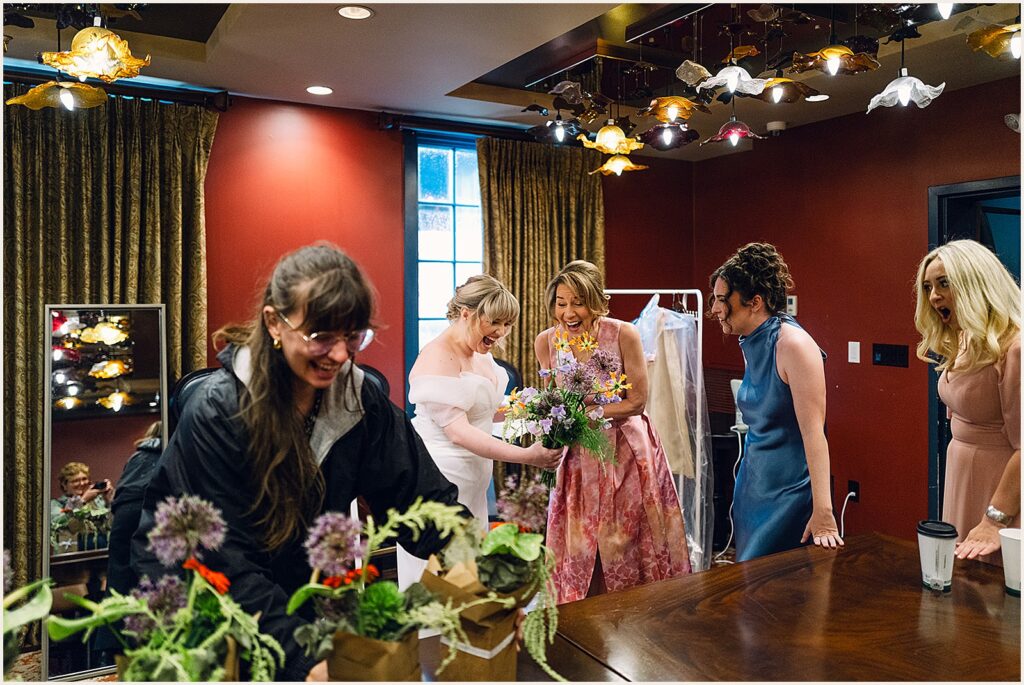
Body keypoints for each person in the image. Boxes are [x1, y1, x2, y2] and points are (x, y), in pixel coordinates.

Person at [129, 243, 467, 681]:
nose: (341, 355)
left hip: (303, 590)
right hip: (208, 600)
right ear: (274, 322)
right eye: (321, 336)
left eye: (353, 336)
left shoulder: (359, 399)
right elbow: (223, 558)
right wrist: (301, 656)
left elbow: (420, 497)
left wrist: (476, 568)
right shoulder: (219, 411)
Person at [535, 260, 691, 603]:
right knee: (580, 538)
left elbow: (636, 401)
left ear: (596, 301)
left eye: (578, 302)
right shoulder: (546, 341)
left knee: (625, 537)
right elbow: (550, 400)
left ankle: (637, 613)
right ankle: (579, 615)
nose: (569, 312)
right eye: (561, 303)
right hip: (577, 457)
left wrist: (589, 413)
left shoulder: (623, 333)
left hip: (624, 450)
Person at [397, 275, 563, 589]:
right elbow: (459, 431)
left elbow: (484, 412)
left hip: (474, 478)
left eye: (508, 324)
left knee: (470, 578)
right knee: (440, 577)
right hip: (440, 478)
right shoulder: (437, 357)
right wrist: (528, 456)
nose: (501, 333)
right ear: (467, 314)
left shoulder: (481, 354)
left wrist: (536, 413)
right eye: (495, 322)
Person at [709, 242, 841, 561]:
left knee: (782, 596)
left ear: (754, 302)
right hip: (753, 488)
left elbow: (813, 433)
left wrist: (823, 511)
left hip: (788, 495)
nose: (714, 309)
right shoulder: (752, 341)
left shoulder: (793, 345)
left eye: (722, 300)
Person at [914, 239, 1020, 564]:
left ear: (976, 282)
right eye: (929, 287)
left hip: (1002, 487)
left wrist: (994, 519)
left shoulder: (1015, 348)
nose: (933, 296)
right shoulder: (964, 340)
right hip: (961, 476)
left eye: (944, 283)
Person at [107, 421, 162, 594]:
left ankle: (114, 616)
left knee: (118, 570)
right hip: (149, 507)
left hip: (123, 512)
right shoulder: (169, 452)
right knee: (150, 569)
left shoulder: (135, 457)